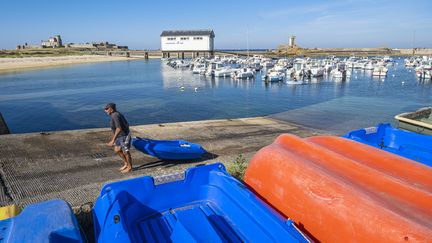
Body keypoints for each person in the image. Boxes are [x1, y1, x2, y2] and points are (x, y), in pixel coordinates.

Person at [104, 103, 132, 173]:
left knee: (126, 152)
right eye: (105, 109)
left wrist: (112, 140)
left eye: (107, 109)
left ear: (111, 108)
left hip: (124, 136)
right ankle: (126, 163)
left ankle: (130, 167)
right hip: (119, 136)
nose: (105, 110)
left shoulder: (116, 115)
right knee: (117, 150)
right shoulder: (115, 114)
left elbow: (118, 128)